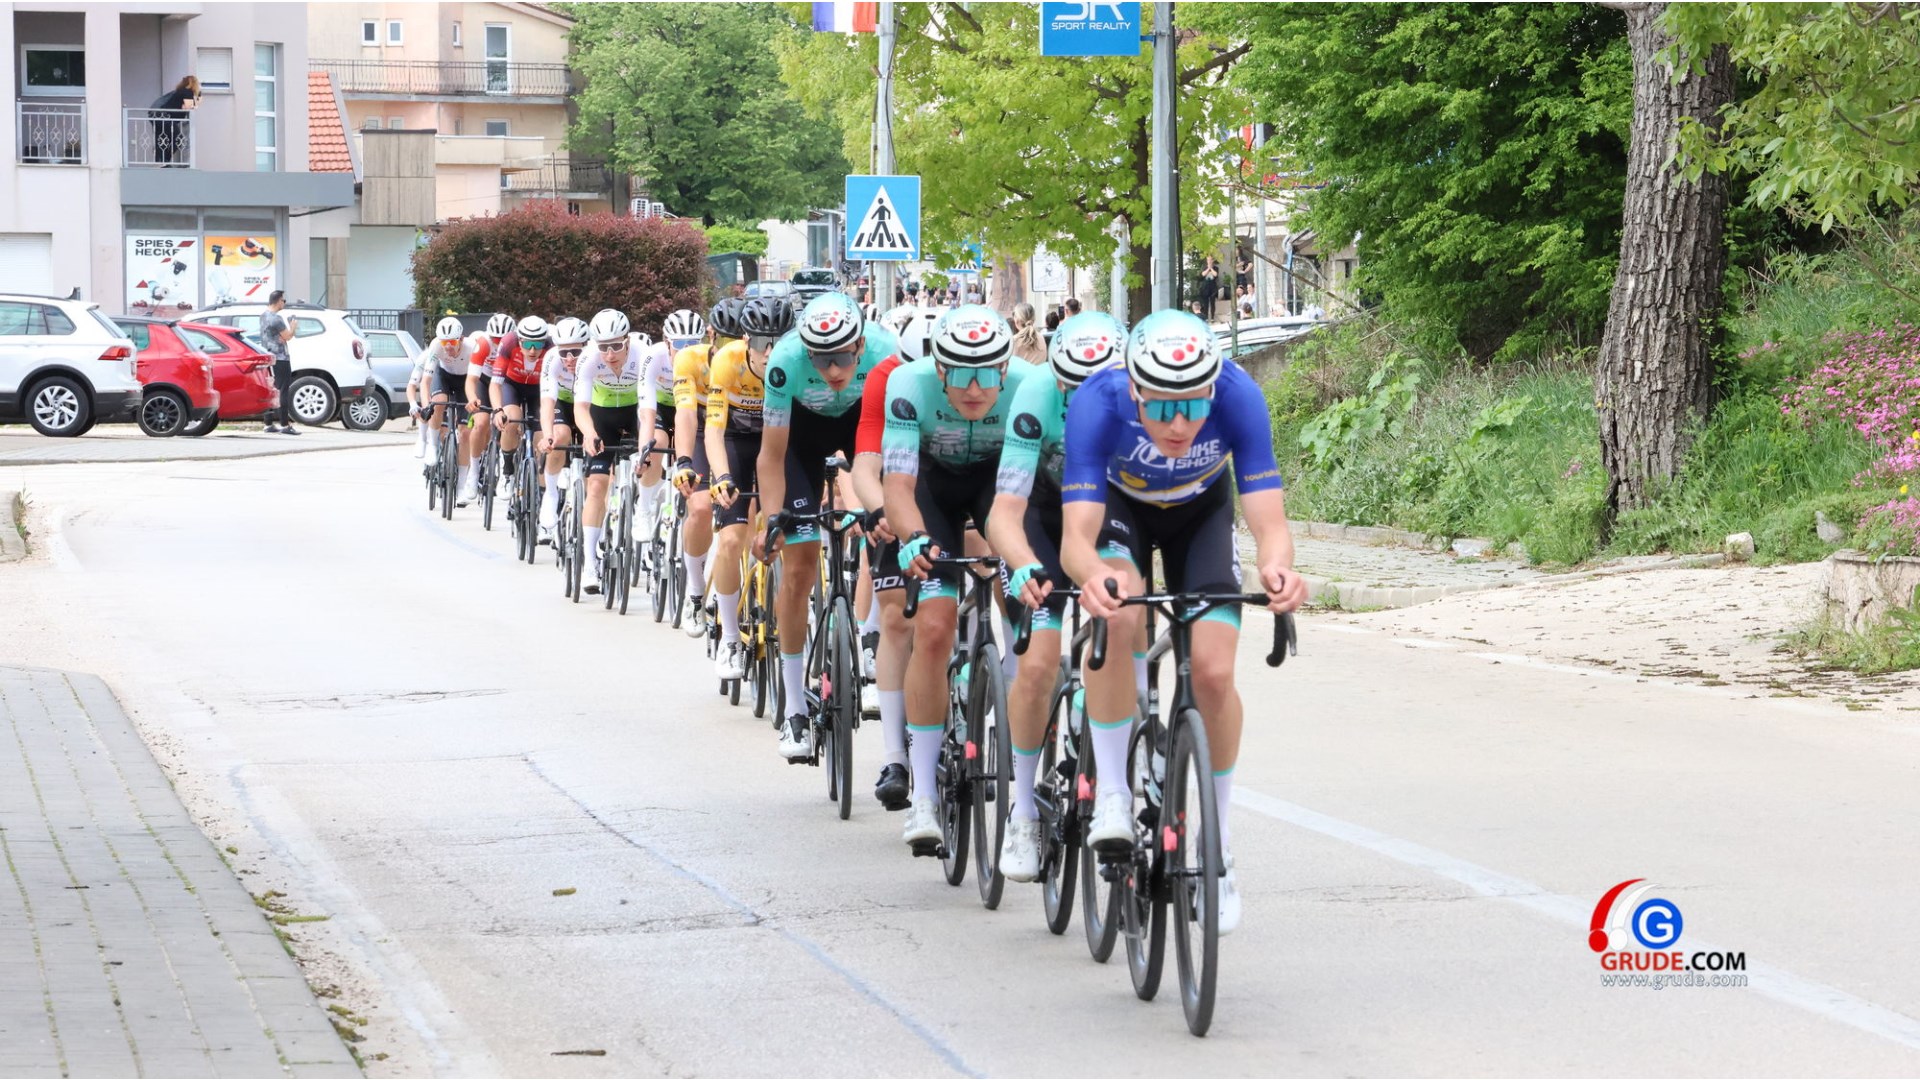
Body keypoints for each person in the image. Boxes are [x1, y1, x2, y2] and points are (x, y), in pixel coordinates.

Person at [1058, 308, 1310, 934]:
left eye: (1194, 407)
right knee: (1122, 611)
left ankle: (1216, 850)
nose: (1179, 424)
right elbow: (1075, 540)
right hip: (1121, 512)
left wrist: (1278, 570)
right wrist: (1092, 575)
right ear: (1135, 389)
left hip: (1202, 514)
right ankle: (1113, 793)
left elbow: (1269, 524)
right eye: (1163, 408)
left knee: (1217, 674)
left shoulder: (1238, 396)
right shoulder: (1098, 402)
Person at [882, 305, 1038, 851]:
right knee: (934, 625)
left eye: (988, 373)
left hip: (998, 487)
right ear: (939, 369)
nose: (975, 388)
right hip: (931, 491)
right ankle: (922, 795)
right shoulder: (907, 384)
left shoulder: (1028, 387)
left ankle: (1020, 705)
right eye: (961, 374)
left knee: (1024, 598)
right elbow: (897, 486)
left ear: (1006, 367)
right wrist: (914, 538)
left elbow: (1030, 494)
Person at [987, 310, 1124, 881]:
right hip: (1041, 519)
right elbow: (1005, 513)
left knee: (1122, 627)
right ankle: (1022, 811)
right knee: (1039, 665)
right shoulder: (1036, 394)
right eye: (1073, 386)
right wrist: (1020, 566)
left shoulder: (1143, 396)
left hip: (1108, 516)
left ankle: (1124, 772)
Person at [756, 292, 898, 762]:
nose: (832, 371)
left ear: (859, 345)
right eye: (821, 358)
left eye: (840, 357)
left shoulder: (886, 352)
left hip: (865, 426)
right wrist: (774, 520)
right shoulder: (784, 362)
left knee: (887, 533)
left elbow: (898, 451)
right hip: (803, 433)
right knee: (798, 565)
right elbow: (773, 456)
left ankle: (873, 644)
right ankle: (794, 707)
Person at [706, 297, 780, 682]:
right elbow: (714, 430)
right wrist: (720, 476)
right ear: (747, 340)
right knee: (732, 540)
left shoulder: (793, 365)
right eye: (762, 343)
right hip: (735, 440)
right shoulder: (727, 361)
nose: (770, 353)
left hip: (774, 441)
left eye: (778, 343)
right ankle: (730, 637)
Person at [572, 309, 644, 595]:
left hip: (636, 412)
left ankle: (642, 515)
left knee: (648, 465)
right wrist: (589, 433)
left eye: (616, 346)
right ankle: (590, 563)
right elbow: (580, 406)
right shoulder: (588, 358)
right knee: (597, 485)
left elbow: (652, 403)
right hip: (602, 416)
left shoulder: (643, 354)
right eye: (604, 347)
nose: (610, 353)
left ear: (627, 340)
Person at [666, 307, 717, 638]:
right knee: (700, 508)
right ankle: (695, 592)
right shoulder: (690, 360)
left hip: (740, 432)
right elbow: (685, 415)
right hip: (701, 429)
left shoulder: (762, 359)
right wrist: (684, 461)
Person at [536, 317, 591, 545]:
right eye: (564, 352)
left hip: (589, 404)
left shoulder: (595, 359)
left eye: (576, 352)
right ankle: (550, 494)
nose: (569, 359)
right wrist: (547, 434)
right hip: (563, 404)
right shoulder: (551, 359)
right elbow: (547, 404)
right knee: (559, 438)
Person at [258, 291, 297, 435]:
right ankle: (285, 425)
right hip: (280, 358)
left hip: (268, 357)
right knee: (283, 391)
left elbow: (272, 335)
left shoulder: (263, 316)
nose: (284, 303)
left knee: (270, 390)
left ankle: (268, 424)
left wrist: (281, 337)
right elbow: (288, 336)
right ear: (278, 301)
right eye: (283, 300)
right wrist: (293, 326)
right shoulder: (277, 319)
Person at [150, 75, 199, 166]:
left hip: (159, 116)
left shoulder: (179, 91)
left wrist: (189, 105)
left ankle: (162, 162)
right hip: (164, 117)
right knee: (177, 139)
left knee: (163, 139)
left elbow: (186, 106)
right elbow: (189, 108)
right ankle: (164, 161)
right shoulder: (187, 92)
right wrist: (194, 104)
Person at [1198, 256, 1221, 321]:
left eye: (1211, 260)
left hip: (1213, 287)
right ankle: (1206, 317)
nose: (1209, 261)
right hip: (1205, 287)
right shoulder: (1204, 267)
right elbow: (1203, 274)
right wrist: (1208, 268)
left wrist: (1211, 268)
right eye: (1208, 260)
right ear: (1207, 261)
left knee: (1212, 303)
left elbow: (1215, 274)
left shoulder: (1216, 268)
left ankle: (1212, 317)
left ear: (1212, 260)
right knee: (1205, 303)